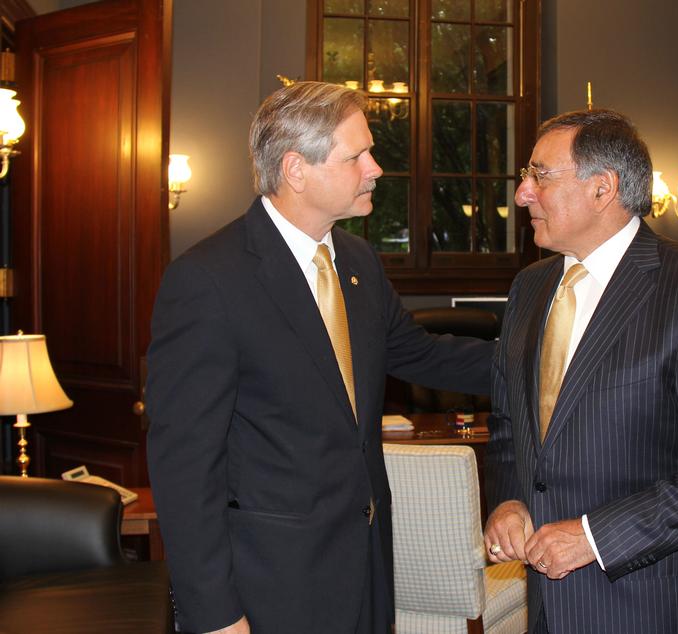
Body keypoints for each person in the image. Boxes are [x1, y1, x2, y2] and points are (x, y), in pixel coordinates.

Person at [146, 81, 493, 634]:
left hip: (366, 564)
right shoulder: (208, 280)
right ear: (296, 170)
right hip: (271, 585)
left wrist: (549, 361)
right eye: (357, 156)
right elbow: (184, 466)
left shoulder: (356, 259)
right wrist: (213, 612)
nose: (376, 168)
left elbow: (422, 355)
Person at [483, 109, 678, 633]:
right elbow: (509, 425)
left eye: (539, 175)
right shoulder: (529, 287)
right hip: (550, 603)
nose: (523, 193)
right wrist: (509, 499)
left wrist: (594, 538)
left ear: (602, 188)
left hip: (662, 603)